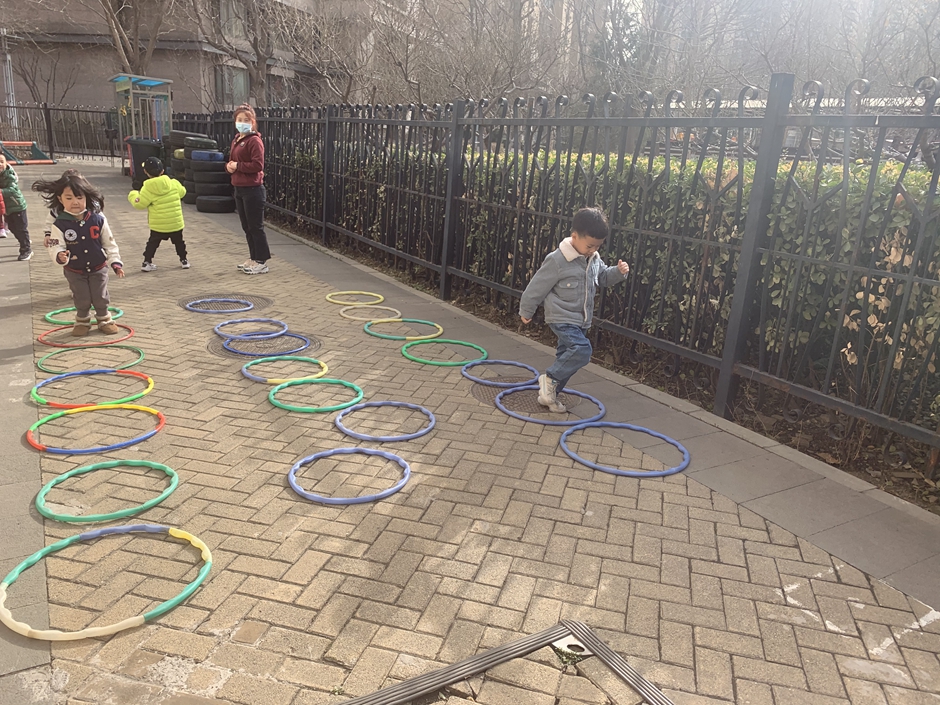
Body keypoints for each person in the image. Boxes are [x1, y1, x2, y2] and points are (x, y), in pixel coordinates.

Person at [519, 207, 630, 412]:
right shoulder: (557, 260)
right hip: (561, 317)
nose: (593, 250)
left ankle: (549, 396)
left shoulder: (593, 259)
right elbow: (537, 286)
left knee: (567, 359)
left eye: (597, 246)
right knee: (581, 350)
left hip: (582, 320)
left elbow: (603, 277)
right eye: (589, 245)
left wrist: (618, 272)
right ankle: (549, 379)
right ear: (574, 236)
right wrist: (527, 310)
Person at [33, 170, 124, 336]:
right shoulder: (58, 224)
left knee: (100, 295)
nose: (75, 202)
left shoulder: (98, 219)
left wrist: (115, 262)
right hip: (74, 269)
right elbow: (55, 245)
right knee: (81, 296)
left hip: (98, 267)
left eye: (79, 197)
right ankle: (82, 321)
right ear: (60, 199)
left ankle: (104, 319)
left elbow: (109, 243)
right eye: (69, 198)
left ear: (86, 198)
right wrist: (59, 256)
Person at [227, 103, 270, 275]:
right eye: (239, 119)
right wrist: (229, 167)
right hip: (239, 188)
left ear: (252, 122)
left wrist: (238, 166)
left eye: (246, 120)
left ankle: (261, 261)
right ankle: (253, 257)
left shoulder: (254, 141)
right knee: (247, 227)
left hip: (253, 189)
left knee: (255, 227)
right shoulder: (236, 140)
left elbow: (257, 165)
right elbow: (232, 161)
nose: (242, 123)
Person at [129, 156, 189, 271]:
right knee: (179, 242)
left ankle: (147, 262)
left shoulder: (147, 188)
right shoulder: (173, 183)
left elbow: (139, 204)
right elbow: (183, 192)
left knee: (152, 243)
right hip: (175, 223)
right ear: (162, 171)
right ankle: (184, 260)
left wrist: (133, 194)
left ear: (145, 172)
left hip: (158, 225)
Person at [0, 153, 33, 260]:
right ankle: (24, 242)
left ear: (6, 163)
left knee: (21, 228)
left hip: (17, 206)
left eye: (2, 162)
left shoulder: (9, 175)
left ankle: (26, 249)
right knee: (12, 227)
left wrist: (1, 191)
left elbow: (12, 189)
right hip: (8, 208)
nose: (0, 164)